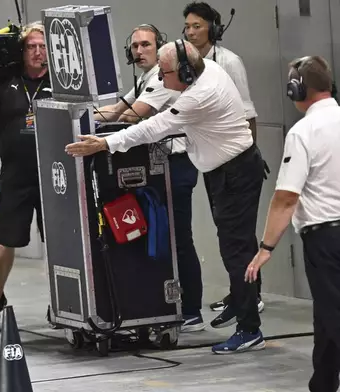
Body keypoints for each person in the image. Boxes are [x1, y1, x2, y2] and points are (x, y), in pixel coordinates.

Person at [65, 39, 266, 354]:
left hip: (235, 174)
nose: (160, 79)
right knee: (238, 246)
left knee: (235, 250)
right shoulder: (206, 69)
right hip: (228, 171)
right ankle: (245, 303)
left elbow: (153, 128)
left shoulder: (200, 95)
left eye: (166, 73)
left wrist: (104, 144)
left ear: (185, 70)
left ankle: (249, 328)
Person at [95, 24, 205, 332]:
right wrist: (78, 114)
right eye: (135, 46)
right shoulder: (145, 78)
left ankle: (192, 308)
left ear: (159, 48)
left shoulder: (162, 77)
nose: (140, 51)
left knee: (179, 237)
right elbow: (117, 109)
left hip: (177, 166)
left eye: (146, 45)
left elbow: (131, 116)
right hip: (160, 169)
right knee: (165, 236)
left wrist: (92, 123)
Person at [245, 56, 340, 391]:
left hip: (327, 240)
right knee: (326, 320)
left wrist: (266, 247)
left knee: (334, 316)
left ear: (296, 89)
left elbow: (286, 197)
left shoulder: (304, 132)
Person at [183, 1, 266, 326]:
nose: (191, 31)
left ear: (213, 28)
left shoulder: (229, 62)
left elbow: (247, 113)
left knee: (239, 236)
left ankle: (250, 297)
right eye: (188, 26)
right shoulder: (190, 63)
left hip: (236, 164)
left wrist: (248, 156)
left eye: (197, 26)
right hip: (212, 162)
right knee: (227, 233)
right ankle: (239, 292)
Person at [0, 21, 51, 330]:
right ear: (22, 50)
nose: (37, 51)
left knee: (57, 243)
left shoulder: (61, 82)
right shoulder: (5, 83)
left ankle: (62, 301)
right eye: (31, 46)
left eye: (42, 46)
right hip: (16, 176)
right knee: (4, 242)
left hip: (56, 176)